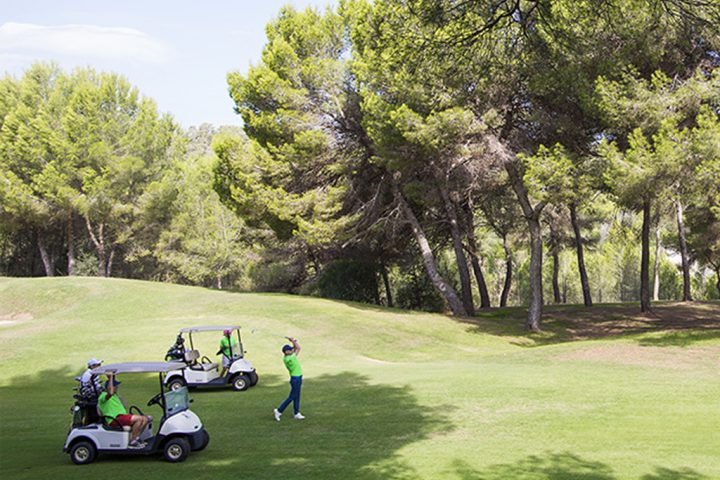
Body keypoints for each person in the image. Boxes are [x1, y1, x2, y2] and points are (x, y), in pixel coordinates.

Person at [97, 373, 151, 449]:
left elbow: (113, 394)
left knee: (145, 419)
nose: (117, 387)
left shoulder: (115, 396)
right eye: (115, 386)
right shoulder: (103, 396)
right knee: (139, 419)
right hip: (114, 419)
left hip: (122, 417)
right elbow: (110, 392)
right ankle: (132, 442)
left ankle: (136, 439)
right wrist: (110, 378)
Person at [273, 337, 304, 421]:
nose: (291, 350)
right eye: (290, 350)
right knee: (292, 397)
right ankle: (279, 410)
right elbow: (298, 348)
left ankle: (296, 413)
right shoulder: (290, 358)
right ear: (286, 352)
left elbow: (295, 348)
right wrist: (293, 341)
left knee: (297, 396)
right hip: (296, 379)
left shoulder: (287, 356)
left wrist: (292, 341)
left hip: (297, 377)